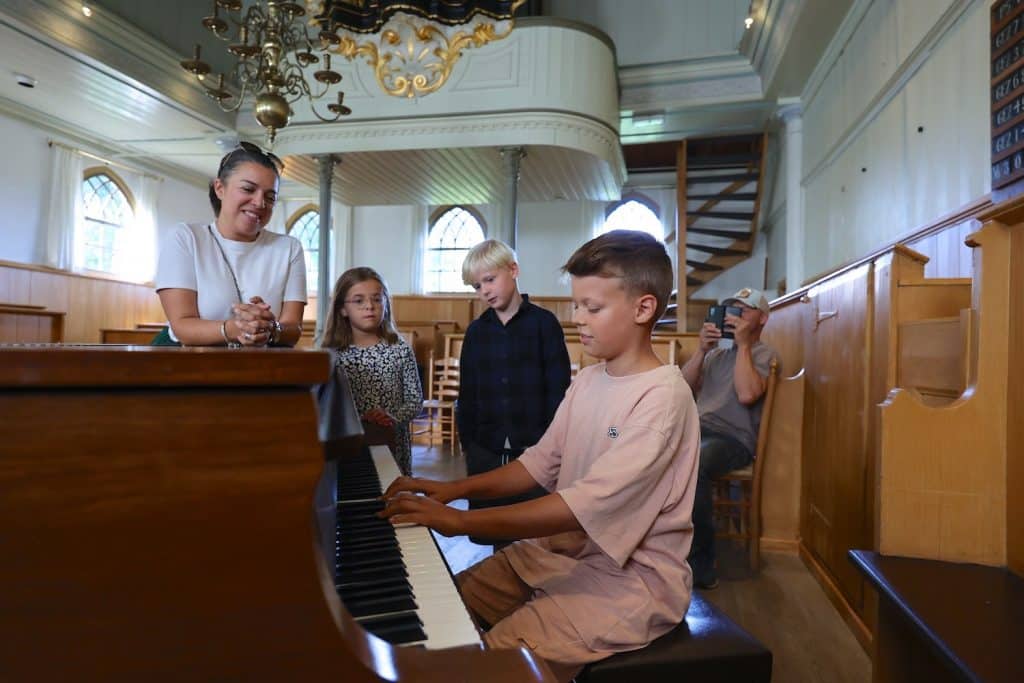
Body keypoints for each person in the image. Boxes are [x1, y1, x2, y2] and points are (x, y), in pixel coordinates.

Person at [380, 230, 700, 683]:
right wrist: (453, 490)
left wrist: (462, 521)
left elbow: (582, 505)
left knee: (490, 661)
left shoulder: (662, 398)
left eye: (593, 308)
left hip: (629, 585)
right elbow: (537, 463)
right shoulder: (590, 381)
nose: (578, 319)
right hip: (560, 553)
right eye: (576, 306)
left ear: (643, 308)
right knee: (445, 608)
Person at [456, 239, 571, 547]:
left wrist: (552, 443)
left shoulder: (544, 324)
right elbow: (466, 394)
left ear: (514, 270)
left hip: (535, 446)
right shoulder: (476, 333)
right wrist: (469, 443)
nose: (485, 291)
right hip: (487, 447)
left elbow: (558, 391)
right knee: (497, 532)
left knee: (535, 532)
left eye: (490, 280)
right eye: (477, 287)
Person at [155, 142, 306, 347]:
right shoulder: (186, 237)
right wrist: (236, 328)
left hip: (260, 368)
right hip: (189, 364)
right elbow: (183, 326)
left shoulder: (289, 248)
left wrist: (270, 329)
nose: (259, 203)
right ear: (220, 188)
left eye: (270, 197)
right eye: (248, 189)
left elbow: (293, 329)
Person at [681, 286, 779, 590]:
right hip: (697, 429)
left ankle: (701, 565)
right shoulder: (717, 355)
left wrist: (745, 346)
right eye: (731, 310)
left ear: (762, 319)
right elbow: (682, 388)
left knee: (694, 462)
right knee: (646, 449)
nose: (734, 316)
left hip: (732, 439)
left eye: (743, 311)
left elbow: (748, 394)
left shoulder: (764, 354)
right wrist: (701, 350)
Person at [320, 267, 423, 476]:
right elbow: (328, 407)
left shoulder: (399, 349)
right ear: (342, 309)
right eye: (358, 301)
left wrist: (391, 418)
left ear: (385, 303)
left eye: (377, 299)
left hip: (392, 443)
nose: (369, 306)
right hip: (350, 444)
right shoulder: (333, 355)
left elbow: (415, 400)